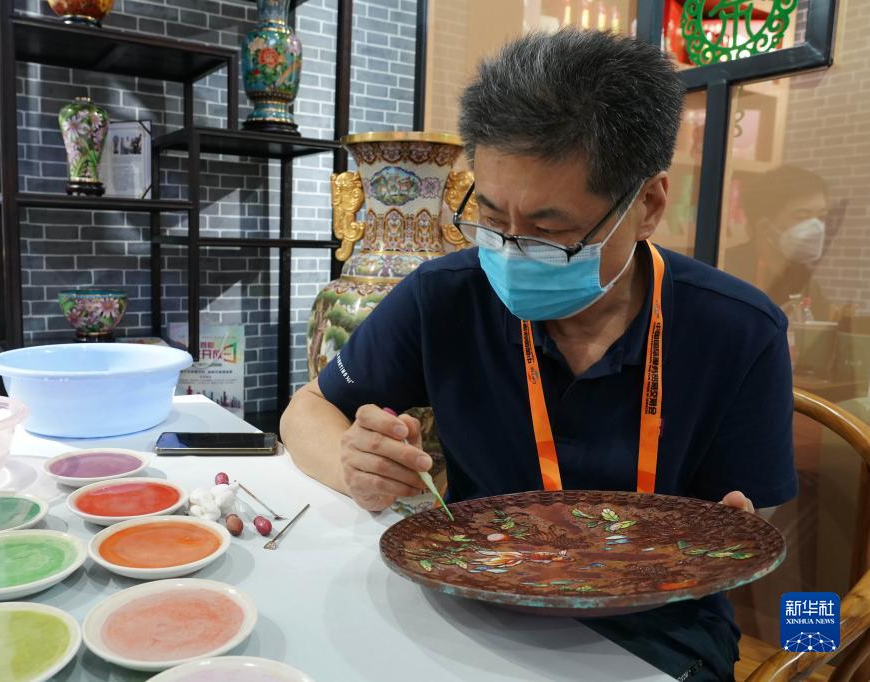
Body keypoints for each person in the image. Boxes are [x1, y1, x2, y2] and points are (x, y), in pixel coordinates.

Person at [281, 29, 796, 681]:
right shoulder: (445, 295)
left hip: (655, 630)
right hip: (469, 602)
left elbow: (759, 533)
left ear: (647, 205)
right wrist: (355, 465)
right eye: (492, 216)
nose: (509, 249)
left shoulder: (738, 330)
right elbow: (307, 410)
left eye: (550, 230)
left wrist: (789, 622)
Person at [723, 165, 831, 320]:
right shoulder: (725, 269)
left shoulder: (807, 283)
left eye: (822, 217)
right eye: (801, 216)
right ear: (764, 227)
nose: (816, 228)